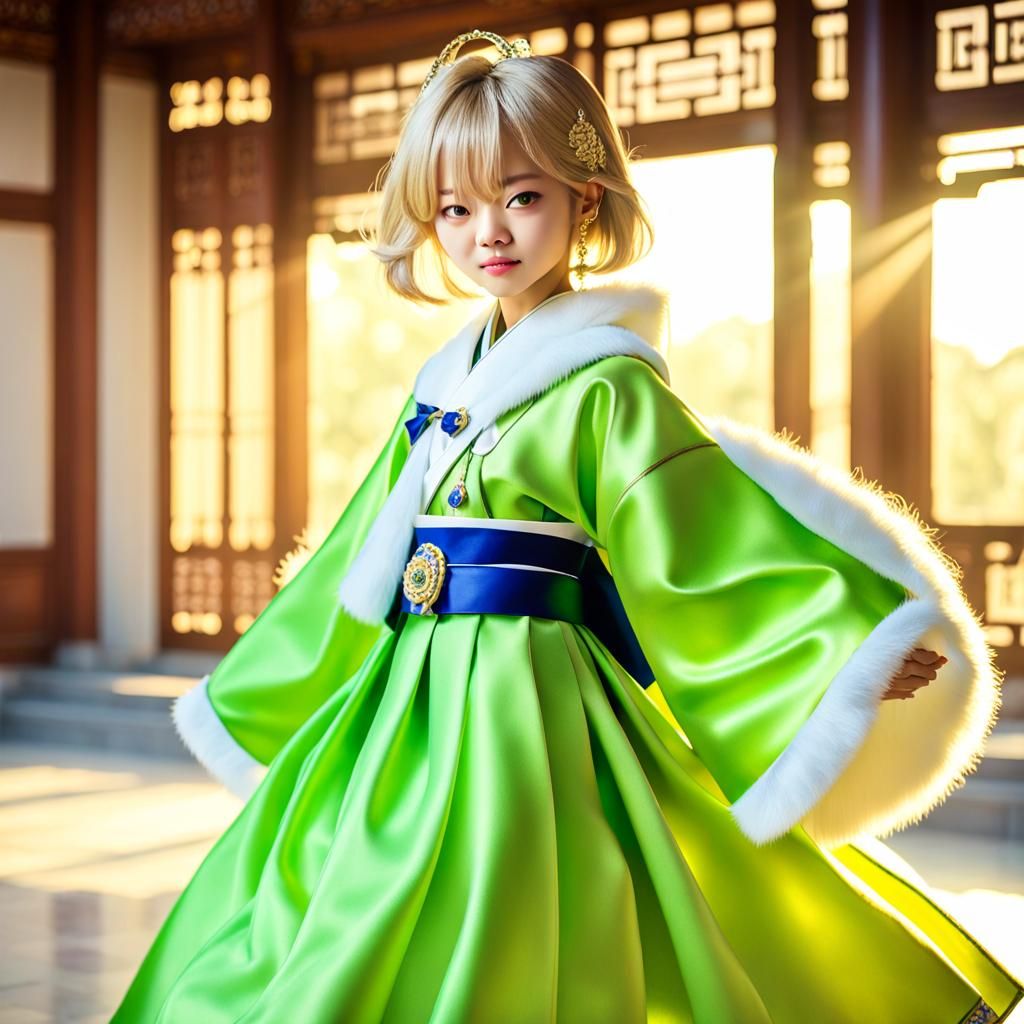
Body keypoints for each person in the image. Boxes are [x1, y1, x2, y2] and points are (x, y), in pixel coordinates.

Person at [111, 29, 1023, 1024]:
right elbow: (357, 553)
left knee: (536, 889)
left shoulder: (608, 383)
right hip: (410, 692)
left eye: (520, 197)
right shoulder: (442, 386)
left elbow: (701, 541)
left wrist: (837, 650)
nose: (486, 234)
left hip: (534, 692)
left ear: (585, 199)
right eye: (455, 210)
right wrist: (262, 681)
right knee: (343, 892)